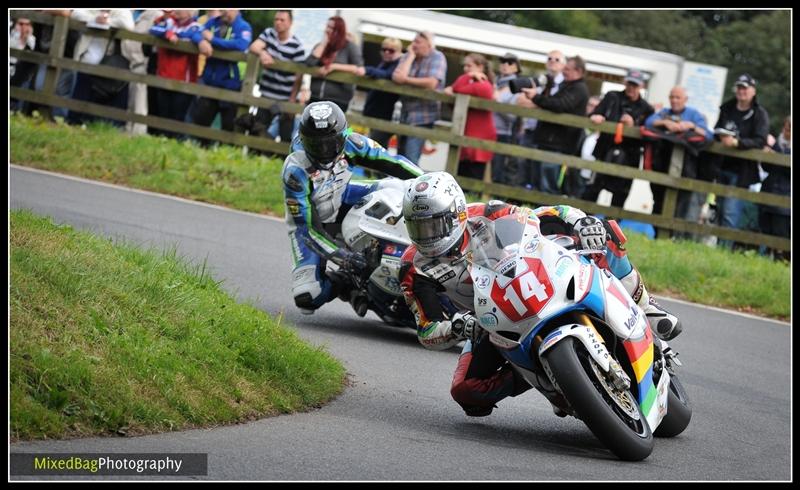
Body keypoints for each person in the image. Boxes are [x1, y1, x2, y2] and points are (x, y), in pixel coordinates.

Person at [399, 172, 682, 416]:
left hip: (537, 277)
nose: (427, 236)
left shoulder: (486, 213)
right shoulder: (414, 266)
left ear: (456, 214)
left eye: (433, 226)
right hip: (491, 320)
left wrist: (581, 222)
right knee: (465, 391)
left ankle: (646, 305)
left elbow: (545, 214)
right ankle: (551, 380)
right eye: (417, 227)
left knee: (604, 232)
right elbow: (427, 329)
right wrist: (458, 327)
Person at [283, 101, 424, 314]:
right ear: (303, 139)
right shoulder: (295, 171)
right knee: (308, 296)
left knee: (396, 186)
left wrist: (431, 182)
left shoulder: (353, 143)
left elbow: (395, 163)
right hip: (314, 224)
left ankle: (418, 241)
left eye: (331, 144)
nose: (325, 152)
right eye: (316, 145)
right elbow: (307, 230)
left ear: (343, 134)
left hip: (346, 198)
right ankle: (345, 282)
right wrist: (344, 258)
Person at [711, 73, 770, 250]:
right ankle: (719, 247)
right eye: (739, 87)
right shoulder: (727, 108)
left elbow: (761, 140)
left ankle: (724, 250)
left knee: (731, 211)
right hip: (722, 166)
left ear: (753, 91)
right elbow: (716, 129)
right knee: (720, 209)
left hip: (742, 171)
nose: (741, 91)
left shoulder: (759, 114)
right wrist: (721, 137)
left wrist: (737, 143)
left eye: (745, 88)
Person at [582, 68, 654, 212]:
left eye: (635, 85)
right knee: (592, 190)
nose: (631, 88)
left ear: (641, 86)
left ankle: (613, 229)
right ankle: (584, 222)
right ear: (625, 82)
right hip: (605, 151)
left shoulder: (647, 109)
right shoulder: (612, 97)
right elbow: (595, 114)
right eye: (629, 84)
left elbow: (647, 136)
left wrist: (633, 126)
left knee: (620, 196)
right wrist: (596, 117)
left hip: (629, 157)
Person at [644, 86, 713, 235]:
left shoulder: (694, 115)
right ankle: (658, 235)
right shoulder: (664, 113)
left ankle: (671, 236)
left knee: (680, 205)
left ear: (685, 99)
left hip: (686, 169)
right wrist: (665, 123)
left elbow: (708, 135)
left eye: (678, 97)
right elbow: (649, 122)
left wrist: (691, 126)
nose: (674, 101)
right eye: (672, 97)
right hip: (661, 165)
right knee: (659, 202)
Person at [521, 55, 590, 195]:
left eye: (567, 69)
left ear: (578, 71)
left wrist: (535, 97)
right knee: (538, 182)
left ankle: (549, 215)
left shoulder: (579, 89)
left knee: (548, 185)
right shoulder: (567, 86)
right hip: (549, 141)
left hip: (558, 144)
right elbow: (552, 102)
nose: (563, 71)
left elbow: (559, 105)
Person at [189, 9, 252, 137]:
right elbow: (193, 30)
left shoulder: (243, 26)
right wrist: (200, 41)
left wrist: (212, 40)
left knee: (229, 127)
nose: (222, 13)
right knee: (200, 122)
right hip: (210, 81)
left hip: (231, 84)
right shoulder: (213, 22)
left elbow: (241, 44)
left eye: (226, 10)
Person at [248, 10, 307, 142]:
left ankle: (282, 160)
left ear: (290, 23)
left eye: (282, 20)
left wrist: (293, 98)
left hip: (285, 97)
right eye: (276, 19)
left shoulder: (297, 47)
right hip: (266, 93)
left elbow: (299, 76)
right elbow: (254, 46)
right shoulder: (269, 34)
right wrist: (263, 53)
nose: (278, 23)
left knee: (285, 135)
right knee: (257, 129)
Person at [392, 31, 447, 164]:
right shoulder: (409, 55)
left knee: (411, 158)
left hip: (424, 116)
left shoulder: (437, 57)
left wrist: (406, 80)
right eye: (414, 41)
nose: (413, 44)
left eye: (418, 42)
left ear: (428, 44)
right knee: (400, 157)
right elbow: (397, 77)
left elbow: (432, 83)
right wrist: (410, 56)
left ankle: (412, 185)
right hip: (405, 113)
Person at [148, 10, 201, 139]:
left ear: (190, 13)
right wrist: (168, 33)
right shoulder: (169, 22)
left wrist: (174, 34)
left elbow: (191, 35)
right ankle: (162, 142)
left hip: (183, 80)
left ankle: (174, 143)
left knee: (178, 117)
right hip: (164, 75)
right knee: (163, 113)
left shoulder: (196, 26)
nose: (176, 10)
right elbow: (153, 29)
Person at [444, 53, 497, 180]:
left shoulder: (484, 85)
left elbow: (457, 89)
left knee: (474, 175)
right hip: (467, 134)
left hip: (479, 136)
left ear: (480, 67)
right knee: (461, 172)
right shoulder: (472, 83)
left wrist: (466, 77)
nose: (466, 69)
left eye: (469, 66)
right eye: (465, 66)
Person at [304, 16, 363, 112]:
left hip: (338, 100)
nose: (328, 30)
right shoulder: (321, 46)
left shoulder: (350, 47)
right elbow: (309, 63)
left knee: (333, 127)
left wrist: (333, 67)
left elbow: (359, 68)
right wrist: (323, 43)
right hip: (316, 97)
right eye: (327, 26)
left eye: (332, 28)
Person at [361, 37, 404, 149]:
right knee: (378, 148)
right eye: (384, 49)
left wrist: (368, 70)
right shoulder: (385, 63)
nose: (386, 52)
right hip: (376, 113)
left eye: (391, 50)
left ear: (399, 52)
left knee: (374, 147)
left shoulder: (399, 64)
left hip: (387, 115)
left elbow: (389, 75)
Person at [758, 115, 790, 260]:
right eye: (786, 127)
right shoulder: (777, 143)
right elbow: (766, 168)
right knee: (765, 229)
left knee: (780, 234)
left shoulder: (779, 147)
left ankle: (778, 261)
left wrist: (776, 156)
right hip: (768, 191)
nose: (787, 131)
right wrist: (767, 156)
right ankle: (763, 259)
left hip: (785, 198)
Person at [491, 52, 522, 186]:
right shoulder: (494, 82)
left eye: (510, 63)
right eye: (503, 61)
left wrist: (497, 103)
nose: (505, 65)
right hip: (488, 130)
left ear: (516, 67)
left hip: (504, 133)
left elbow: (513, 116)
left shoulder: (516, 86)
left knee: (498, 170)